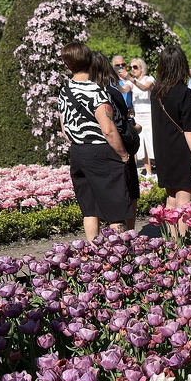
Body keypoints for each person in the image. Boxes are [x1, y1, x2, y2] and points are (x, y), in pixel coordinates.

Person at [57, 42, 133, 242]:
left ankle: (93, 252)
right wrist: (124, 155)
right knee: (116, 211)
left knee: (90, 209)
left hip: (78, 152)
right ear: (90, 60)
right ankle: (119, 254)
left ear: (67, 64)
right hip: (102, 153)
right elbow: (108, 129)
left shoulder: (64, 91)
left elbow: (65, 129)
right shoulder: (96, 91)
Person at [151, 45, 191, 237]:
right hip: (181, 151)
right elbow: (189, 130)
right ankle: (182, 243)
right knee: (184, 202)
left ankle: (171, 242)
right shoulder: (184, 93)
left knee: (171, 199)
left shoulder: (156, 92)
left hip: (163, 151)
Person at [89, 52, 140, 231]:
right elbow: (120, 124)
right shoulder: (111, 93)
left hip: (91, 151)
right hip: (117, 147)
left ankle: (95, 242)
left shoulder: (80, 94)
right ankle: (129, 234)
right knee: (127, 194)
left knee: (94, 201)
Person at [123, 58, 155, 178]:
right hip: (138, 115)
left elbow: (145, 88)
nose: (132, 69)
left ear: (142, 68)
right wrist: (115, 81)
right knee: (142, 144)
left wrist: (130, 79)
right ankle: (149, 172)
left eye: (135, 67)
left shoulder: (149, 79)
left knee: (152, 142)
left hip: (149, 114)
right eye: (131, 67)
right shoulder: (131, 82)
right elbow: (123, 89)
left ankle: (160, 170)